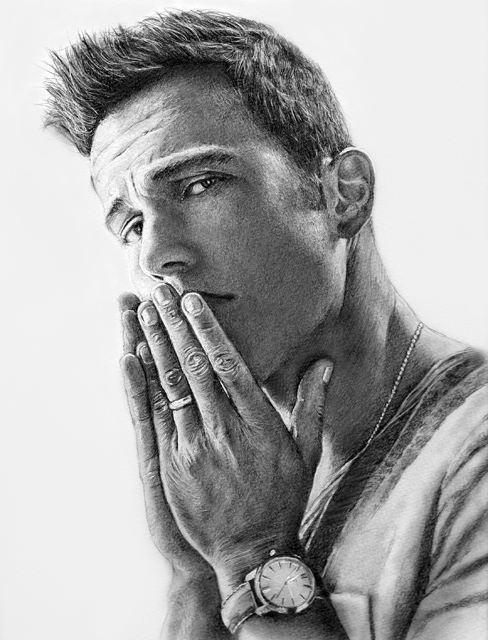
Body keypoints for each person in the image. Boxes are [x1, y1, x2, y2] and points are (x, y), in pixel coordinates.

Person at [43, 10, 488, 640]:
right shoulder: (243, 484)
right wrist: (196, 574)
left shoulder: (471, 454)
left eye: (200, 184)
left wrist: (254, 557)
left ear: (344, 193)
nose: (156, 255)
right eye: (133, 225)